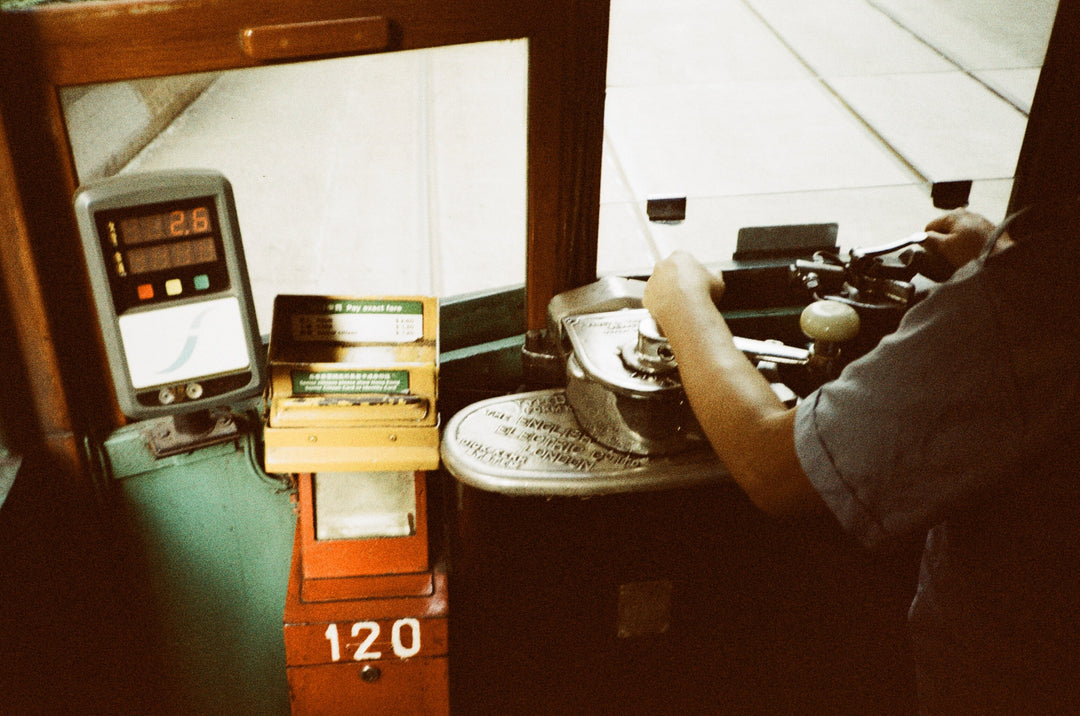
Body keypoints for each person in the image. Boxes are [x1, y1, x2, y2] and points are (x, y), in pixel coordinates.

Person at [642, 203, 1080, 712]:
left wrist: (682, 300)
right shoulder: (1039, 287)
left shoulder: (1021, 306)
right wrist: (998, 256)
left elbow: (772, 467)